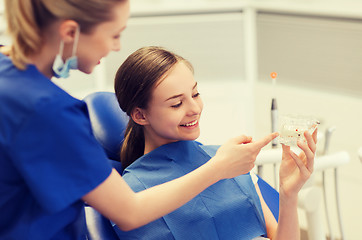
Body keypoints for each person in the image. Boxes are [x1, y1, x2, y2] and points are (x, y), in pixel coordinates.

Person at [0, 1, 279, 239]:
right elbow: (129, 212)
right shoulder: (48, 112)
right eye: (114, 34)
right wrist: (219, 167)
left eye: (195, 93)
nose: (116, 47)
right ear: (71, 32)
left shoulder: (7, 75)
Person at [113, 46, 318, 240]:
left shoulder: (230, 159)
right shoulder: (132, 193)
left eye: (195, 94)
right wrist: (218, 168)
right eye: (176, 104)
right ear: (140, 115)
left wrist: (288, 194)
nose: (194, 108)